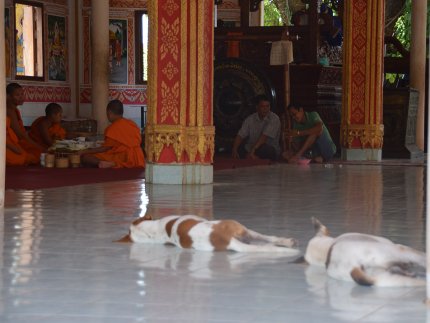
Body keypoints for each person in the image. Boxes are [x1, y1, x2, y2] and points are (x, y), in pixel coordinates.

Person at [80, 99, 145, 168]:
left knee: (86, 157)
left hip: (123, 157)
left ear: (109, 113)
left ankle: (104, 163)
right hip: (138, 157)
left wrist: (84, 151)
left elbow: (105, 148)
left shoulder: (113, 128)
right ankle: (108, 163)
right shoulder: (132, 124)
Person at [232, 94, 281, 161]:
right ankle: (252, 157)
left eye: (267, 106)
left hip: (267, 149)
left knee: (265, 149)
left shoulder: (274, 118)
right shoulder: (250, 119)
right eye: (262, 106)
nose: (265, 109)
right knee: (238, 146)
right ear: (257, 107)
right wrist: (234, 149)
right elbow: (240, 135)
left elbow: (264, 137)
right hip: (251, 147)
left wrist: (252, 151)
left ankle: (253, 158)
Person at [6, 83, 45, 161]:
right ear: (8, 96)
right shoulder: (9, 111)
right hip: (9, 143)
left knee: (38, 152)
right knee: (32, 156)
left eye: (22, 94)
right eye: (17, 95)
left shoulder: (15, 110)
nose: (21, 97)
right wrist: (39, 147)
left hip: (17, 141)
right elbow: (20, 134)